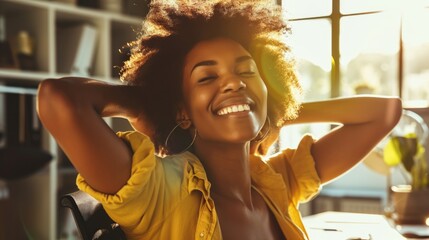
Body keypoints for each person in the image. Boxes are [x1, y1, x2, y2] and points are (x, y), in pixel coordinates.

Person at [37, 0, 402, 239]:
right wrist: (148, 105)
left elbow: (385, 112)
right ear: (181, 108)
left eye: (246, 73)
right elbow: (59, 99)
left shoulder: (275, 181)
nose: (233, 82)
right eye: (207, 77)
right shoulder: (160, 192)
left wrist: (271, 111)